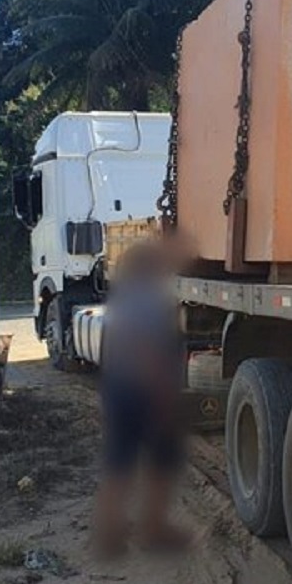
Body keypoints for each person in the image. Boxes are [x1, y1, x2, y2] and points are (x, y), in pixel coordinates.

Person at [90, 238, 192, 558]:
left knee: (119, 462)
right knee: (162, 462)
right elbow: (148, 350)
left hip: (120, 387)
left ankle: (109, 535)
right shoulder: (151, 298)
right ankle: (153, 530)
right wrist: (164, 397)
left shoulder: (124, 296)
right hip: (143, 391)